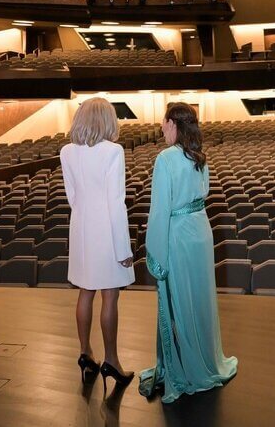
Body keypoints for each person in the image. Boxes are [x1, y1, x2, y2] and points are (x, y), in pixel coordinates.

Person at [139, 103, 238, 403]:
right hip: (200, 232)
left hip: (179, 236)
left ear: (173, 124)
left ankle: (186, 369)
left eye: (164, 122)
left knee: (179, 303)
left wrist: (155, 253)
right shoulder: (199, 156)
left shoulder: (165, 159)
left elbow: (159, 211)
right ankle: (206, 359)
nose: (161, 128)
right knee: (200, 300)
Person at [60, 97, 135, 387]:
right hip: (106, 230)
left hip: (81, 229)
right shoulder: (112, 151)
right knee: (110, 296)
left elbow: (73, 198)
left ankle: (85, 353)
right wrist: (123, 247)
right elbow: (116, 203)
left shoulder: (67, 152)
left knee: (85, 292)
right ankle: (112, 360)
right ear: (107, 120)